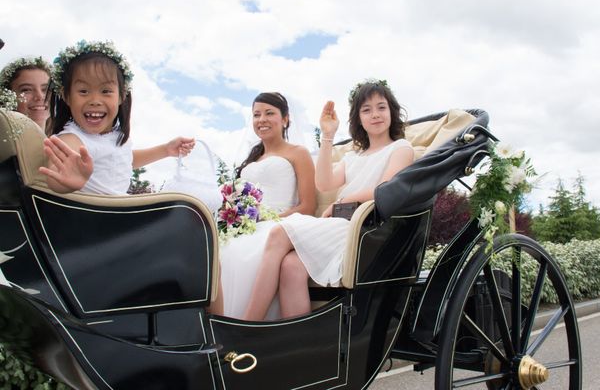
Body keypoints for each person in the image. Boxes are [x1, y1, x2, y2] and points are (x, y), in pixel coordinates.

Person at [242, 80, 414, 321]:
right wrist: (327, 136)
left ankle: (248, 324)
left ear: (392, 112)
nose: (375, 115)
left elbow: (385, 188)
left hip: (364, 226)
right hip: (341, 224)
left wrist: (341, 202)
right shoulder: (354, 157)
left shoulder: (401, 148)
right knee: (291, 266)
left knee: (278, 233)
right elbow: (323, 183)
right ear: (359, 119)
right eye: (366, 110)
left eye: (381, 107)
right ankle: (297, 343)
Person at [37, 40, 195, 195]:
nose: (95, 100)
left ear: (121, 96)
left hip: (119, 211)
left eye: (106, 91)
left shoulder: (113, 134)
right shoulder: (72, 138)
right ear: (67, 96)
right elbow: (57, 171)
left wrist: (166, 150)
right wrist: (65, 182)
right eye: (84, 91)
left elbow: (123, 160)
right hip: (101, 216)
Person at [219, 92, 316, 318]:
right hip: (248, 225)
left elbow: (308, 206)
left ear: (285, 119)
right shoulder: (252, 159)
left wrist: (266, 219)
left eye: (269, 113)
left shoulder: (298, 153)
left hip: (281, 223)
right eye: (256, 115)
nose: (261, 119)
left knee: (243, 252)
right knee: (218, 250)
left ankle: (247, 323)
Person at [0, 56, 52, 130]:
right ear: (7, 97)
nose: (40, 96)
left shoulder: (67, 138)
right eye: (26, 90)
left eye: (45, 89)